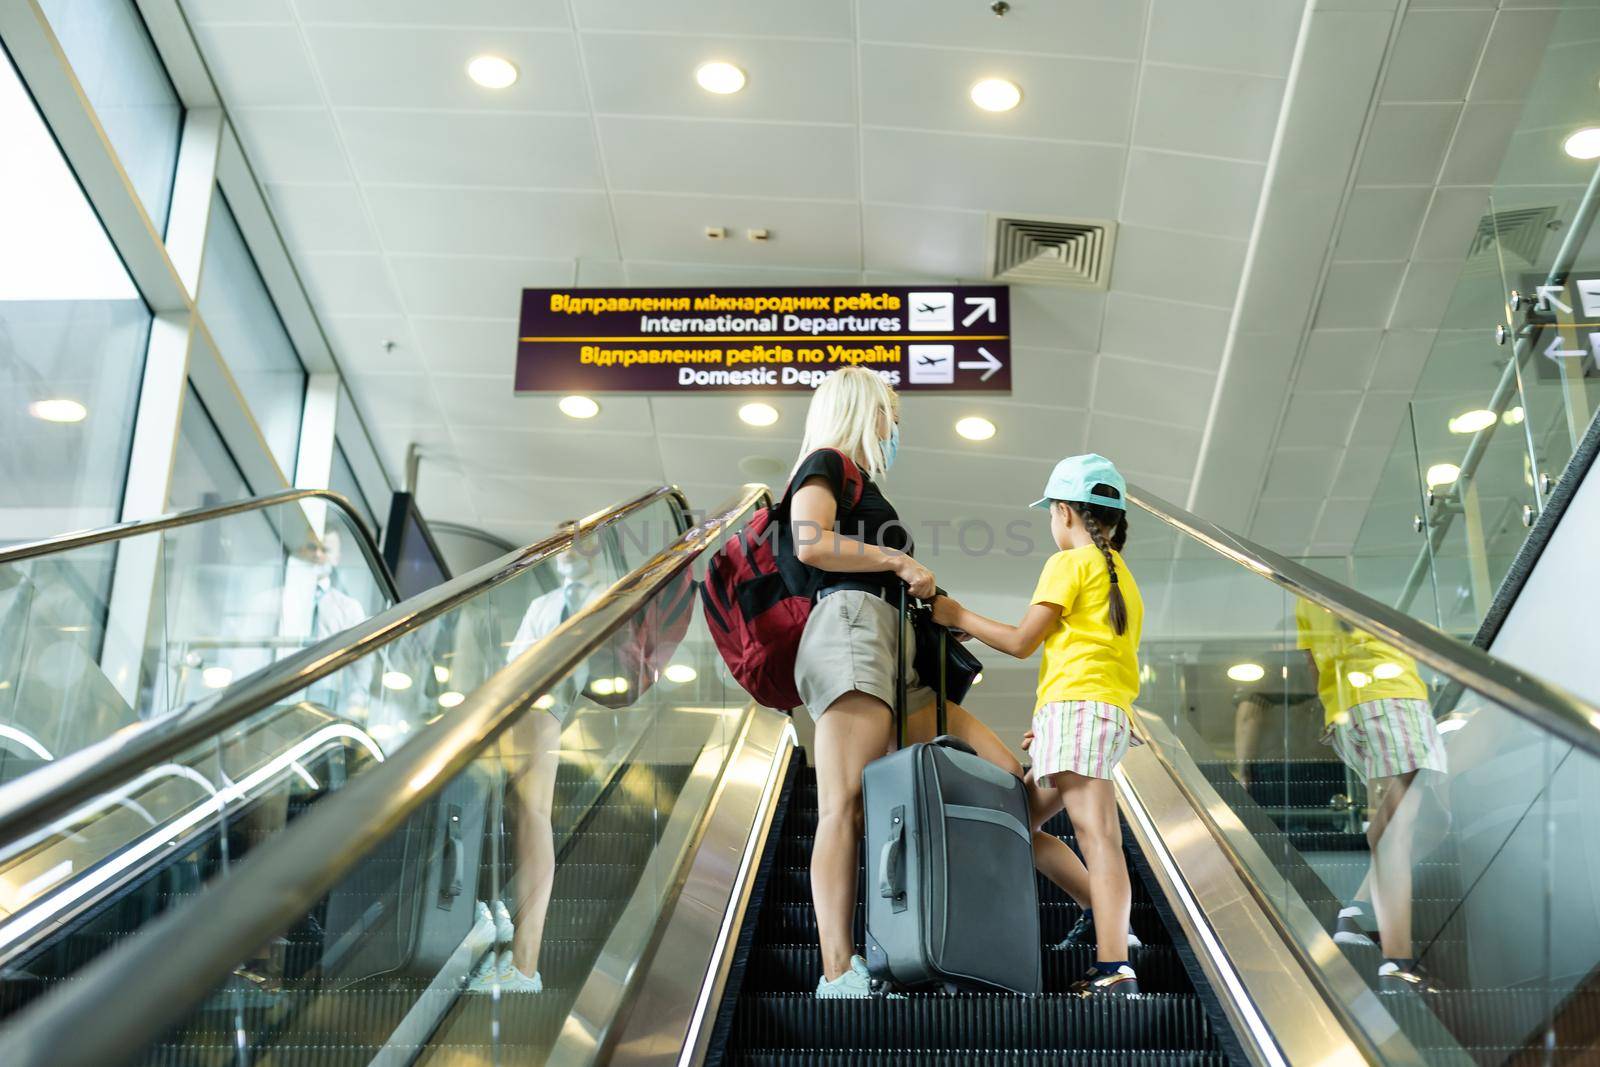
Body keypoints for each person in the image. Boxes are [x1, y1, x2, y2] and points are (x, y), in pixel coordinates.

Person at [788, 367, 1024, 999]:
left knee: (1002, 777)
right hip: (852, 631)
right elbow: (810, 542)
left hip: (898, 650)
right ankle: (838, 971)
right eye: (891, 415)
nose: (895, 429)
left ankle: (930, 942)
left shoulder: (863, 485)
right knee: (845, 804)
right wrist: (896, 559)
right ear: (863, 410)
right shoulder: (827, 461)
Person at [932, 454, 1146, 998]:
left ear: (1066, 512)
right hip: (1085, 713)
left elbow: (1023, 642)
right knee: (1014, 823)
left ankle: (1114, 964)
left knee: (1098, 835)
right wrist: (1052, 726)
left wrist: (956, 615)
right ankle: (1103, 916)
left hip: (1080, 711)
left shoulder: (1069, 564)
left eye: (1051, 513)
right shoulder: (1122, 578)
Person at [469, 528, 602, 994]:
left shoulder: (606, 597)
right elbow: (515, 663)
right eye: (563, 544)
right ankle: (503, 925)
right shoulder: (542, 604)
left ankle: (524, 964)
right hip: (519, 705)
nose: (569, 552)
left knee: (532, 816)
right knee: (514, 812)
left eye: (581, 542)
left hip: (549, 704)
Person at [1294, 599, 1447, 993]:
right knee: (1397, 829)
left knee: (1427, 822)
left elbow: (1313, 661)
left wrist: (1334, 711)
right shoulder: (1351, 585)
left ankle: (1358, 915)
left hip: (1351, 710)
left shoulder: (1304, 596)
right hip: (1392, 699)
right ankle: (1397, 963)